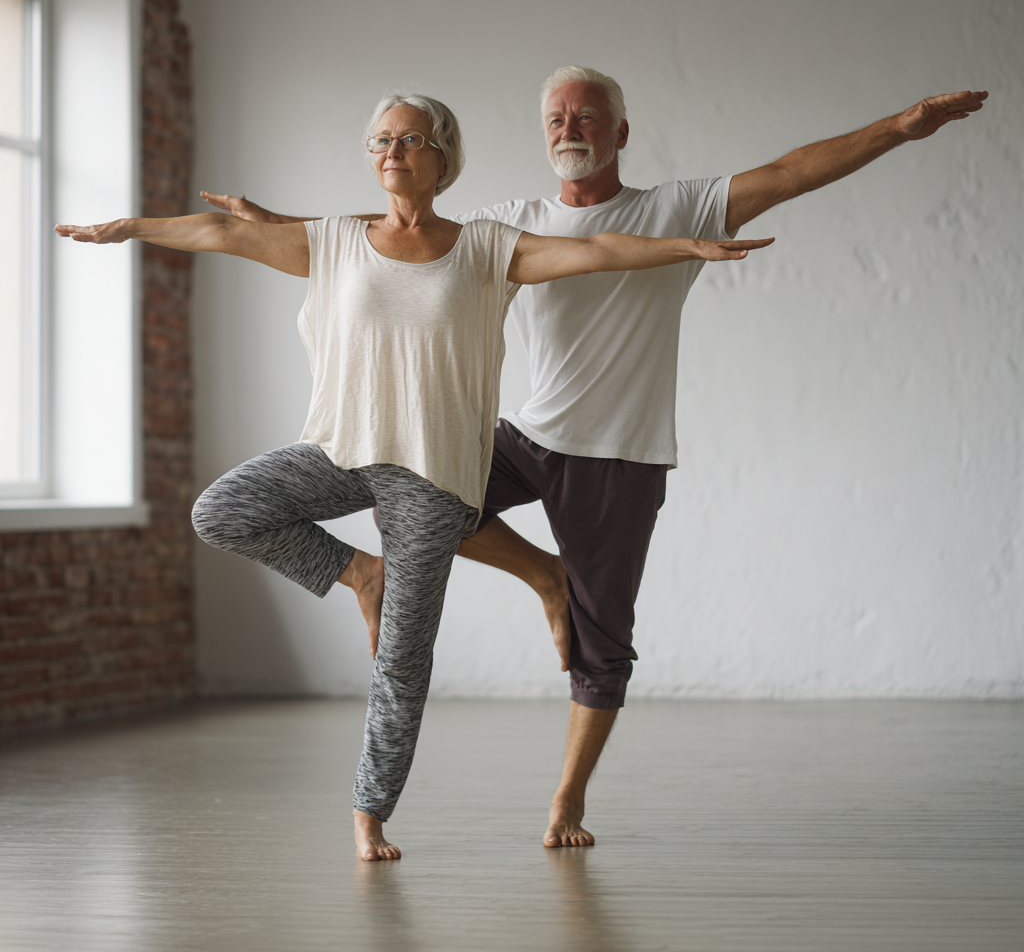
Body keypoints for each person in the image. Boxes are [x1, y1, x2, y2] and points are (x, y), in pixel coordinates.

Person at [206, 68, 987, 850]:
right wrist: (272, 222)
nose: (568, 126)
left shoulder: (672, 210)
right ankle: (545, 575)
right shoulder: (509, 221)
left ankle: (567, 802)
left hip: (620, 455)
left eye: (587, 116)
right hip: (520, 437)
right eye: (555, 116)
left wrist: (898, 127)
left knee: (601, 640)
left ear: (619, 133)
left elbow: (787, 173)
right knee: (403, 494)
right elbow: (394, 237)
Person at [56, 92, 772, 862]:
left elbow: (596, 250)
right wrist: (129, 228)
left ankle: (370, 813)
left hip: (432, 476)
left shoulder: (490, 247)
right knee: (222, 511)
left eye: (410, 138)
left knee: (401, 657)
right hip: (344, 449)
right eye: (380, 139)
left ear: (443, 157)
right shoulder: (330, 240)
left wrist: (685, 249)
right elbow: (223, 232)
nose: (392, 150)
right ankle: (362, 573)